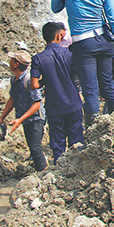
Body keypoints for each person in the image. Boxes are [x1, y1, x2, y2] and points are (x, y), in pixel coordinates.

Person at [31, 22, 85, 164]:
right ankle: (77, 168)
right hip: (73, 102)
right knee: (77, 141)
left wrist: (46, 81)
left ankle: (59, 171)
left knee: (58, 143)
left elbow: (34, 84)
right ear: (57, 36)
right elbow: (79, 73)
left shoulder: (38, 58)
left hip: (54, 106)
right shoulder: (69, 54)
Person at [0, 50, 47, 172]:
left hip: (36, 118)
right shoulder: (14, 80)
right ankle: (38, 169)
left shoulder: (29, 80)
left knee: (35, 148)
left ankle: (43, 171)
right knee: (32, 147)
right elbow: (12, 99)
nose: (9, 62)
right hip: (26, 119)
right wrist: (2, 117)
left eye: (11, 60)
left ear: (16, 64)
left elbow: (36, 104)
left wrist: (20, 119)